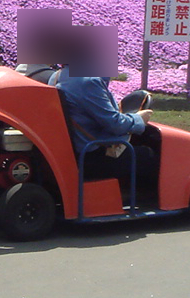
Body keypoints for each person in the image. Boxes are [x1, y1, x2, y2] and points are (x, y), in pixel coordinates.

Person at [54, 70, 157, 206]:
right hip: (92, 156)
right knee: (148, 155)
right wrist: (139, 119)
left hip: (75, 152)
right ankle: (143, 200)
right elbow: (115, 124)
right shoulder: (88, 82)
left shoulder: (58, 77)